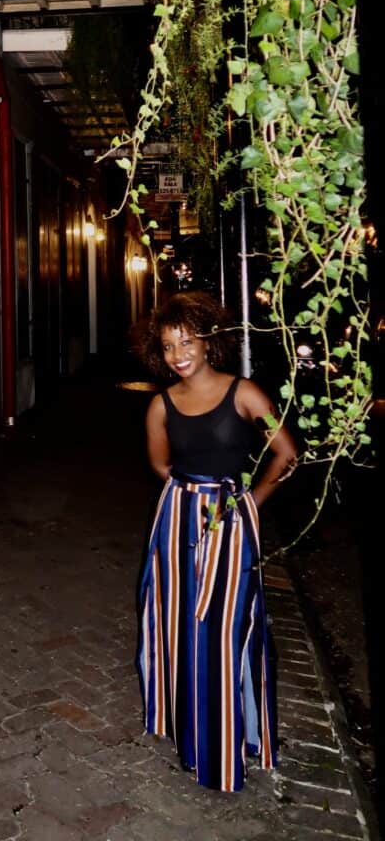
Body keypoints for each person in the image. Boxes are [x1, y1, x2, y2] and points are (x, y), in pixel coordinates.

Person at [137, 291, 297, 792]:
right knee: (178, 626)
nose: (178, 353)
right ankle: (190, 733)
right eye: (167, 346)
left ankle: (231, 740)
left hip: (231, 522)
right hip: (178, 521)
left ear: (207, 341)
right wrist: (189, 499)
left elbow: (286, 455)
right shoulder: (160, 405)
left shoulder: (243, 392)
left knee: (225, 632)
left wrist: (248, 503)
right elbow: (162, 466)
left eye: (187, 341)